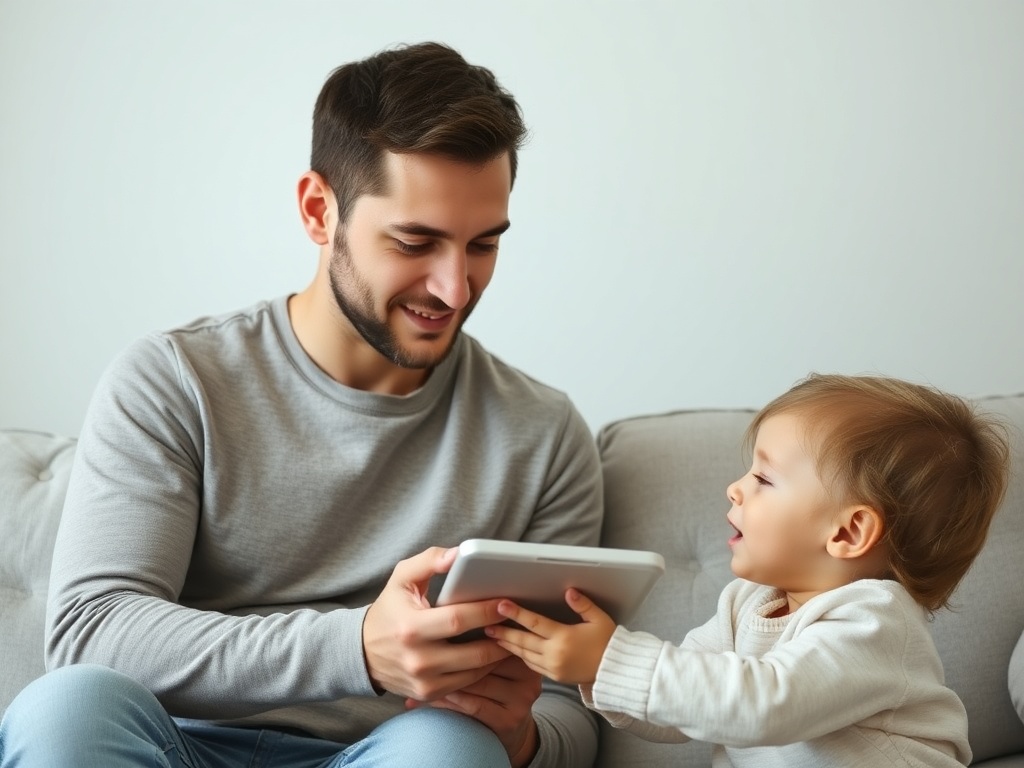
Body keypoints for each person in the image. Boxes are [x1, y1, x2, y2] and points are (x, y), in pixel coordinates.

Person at [0, 42, 603, 768]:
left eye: (483, 245)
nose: (455, 288)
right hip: (171, 748)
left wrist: (522, 733)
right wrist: (358, 650)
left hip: (392, 752)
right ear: (320, 211)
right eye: (416, 241)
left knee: (449, 751)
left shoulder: (543, 435)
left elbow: (570, 713)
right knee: (64, 710)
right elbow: (92, 631)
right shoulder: (175, 380)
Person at [487, 373, 1012, 767]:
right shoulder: (747, 602)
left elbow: (765, 705)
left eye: (763, 478)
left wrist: (612, 661)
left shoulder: (876, 622)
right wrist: (594, 668)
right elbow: (692, 705)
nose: (735, 487)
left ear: (847, 533)